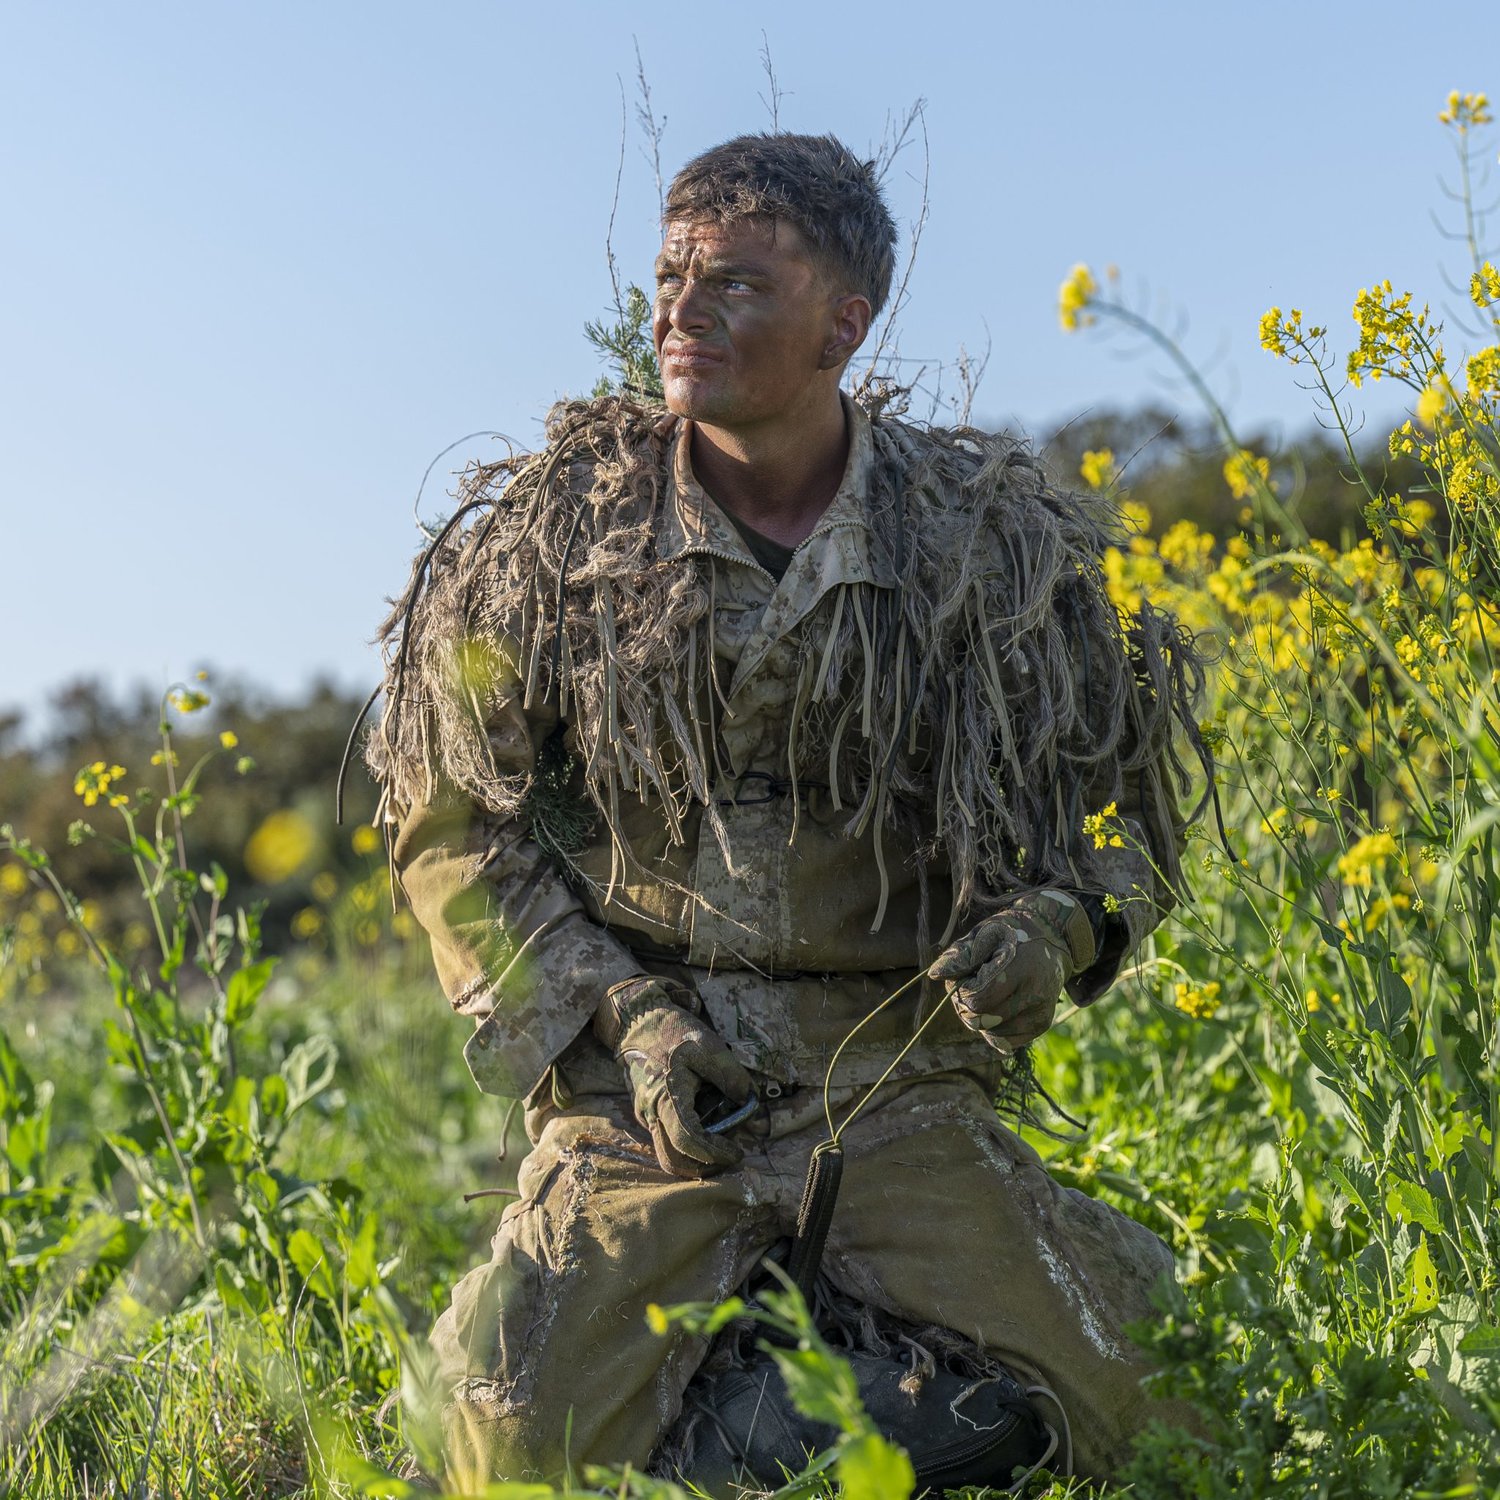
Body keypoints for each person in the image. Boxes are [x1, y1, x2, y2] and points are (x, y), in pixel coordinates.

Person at [367, 132, 1210, 1489]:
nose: (680, 312)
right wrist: (623, 1016)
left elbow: (1119, 814)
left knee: (1170, 1413)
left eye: (736, 284)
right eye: (668, 276)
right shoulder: (555, 537)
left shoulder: (988, 544)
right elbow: (450, 832)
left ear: (844, 325)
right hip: (641, 1091)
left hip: (896, 1086)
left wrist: (1057, 927)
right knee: (505, 1444)